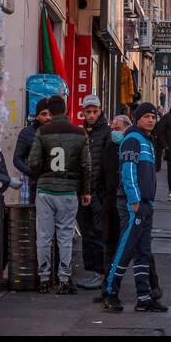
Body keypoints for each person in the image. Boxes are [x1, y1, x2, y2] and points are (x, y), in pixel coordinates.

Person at [103, 102, 166, 313]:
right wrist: (135, 201)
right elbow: (128, 172)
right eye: (147, 116)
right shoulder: (132, 140)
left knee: (143, 252)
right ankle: (110, 292)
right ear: (137, 118)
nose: (151, 120)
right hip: (134, 205)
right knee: (125, 249)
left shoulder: (146, 140)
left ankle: (144, 297)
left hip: (145, 205)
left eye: (154, 117)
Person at [26, 96, 91, 295]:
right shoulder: (80, 134)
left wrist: (41, 177)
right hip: (69, 191)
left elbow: (33, 162)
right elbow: (86, 166)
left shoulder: (41, 132)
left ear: (50, 112)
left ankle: (44, 278)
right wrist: (86, 190)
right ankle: (64, 278)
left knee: (44, 236)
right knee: (65, 235)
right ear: (66, 110)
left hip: (45, 190)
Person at [93, 114, 133, 303]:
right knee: (109, 245)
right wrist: (103, 200)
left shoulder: (132, 148)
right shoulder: (108, 149)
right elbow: (100, 177)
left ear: (127, 128)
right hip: (110, 205)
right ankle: (107, 288)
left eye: (117, 129)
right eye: (113, 129)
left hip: (127, 205)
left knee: (133, 248)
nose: (114, 132)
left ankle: (149, 290)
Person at [78, 95, 110, 290]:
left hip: (98, 191)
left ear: (100, 111)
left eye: (94, 111)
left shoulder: (106, 132)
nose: (91, 115)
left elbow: (104, 164)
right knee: (86, 232)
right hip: (83, 191)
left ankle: (101, 272)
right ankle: (92, 271)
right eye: (88, 112)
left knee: (98, 232)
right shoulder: (81, 132)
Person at [14, 103, 53, 203]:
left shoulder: (59, 132)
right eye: (43, 114)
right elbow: (17, 160)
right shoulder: (27, 133)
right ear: (37, 116)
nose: (48, 117)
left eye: (51, 114)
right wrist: (33, 172)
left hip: (54, 184)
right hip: (33, 183)